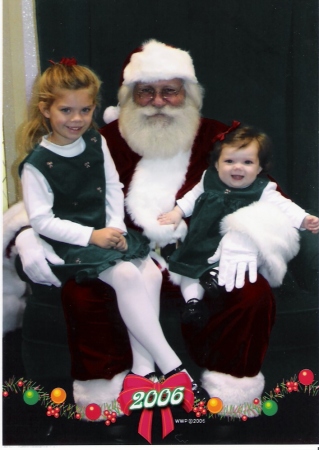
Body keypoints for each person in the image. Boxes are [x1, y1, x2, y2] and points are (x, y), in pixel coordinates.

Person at [4, 40, 301, 417]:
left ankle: (231, 399)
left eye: (170, 92)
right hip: (123, 256)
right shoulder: (103, 141)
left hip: (202, 260)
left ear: (188, 95)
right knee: (83, 295)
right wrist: (28, 235)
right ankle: (105, 400)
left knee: (250, 293)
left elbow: (270, 194)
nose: (158, 101)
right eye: (146, 92)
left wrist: (245, 236)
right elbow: (55, 195)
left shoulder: (219, 139)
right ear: (129, 97)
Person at [18, 59, 206, 403]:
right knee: (125, 274)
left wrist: (115, 228)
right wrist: (92, 237)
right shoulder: (35, 164)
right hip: (68, 242)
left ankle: (142, 370)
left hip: (106, 231)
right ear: (46, 109)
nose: (77, 119)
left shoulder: (95, 140)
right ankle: (173, 368)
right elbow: (42, 221)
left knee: (149, 272)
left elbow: (113, 186)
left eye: (85, 109)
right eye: (66, 110)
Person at [158, 121, 319, 321]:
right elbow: (190, 198)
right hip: (201, 239)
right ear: (217, 164)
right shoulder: (208, 179)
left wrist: (304, 219)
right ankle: (192, 303)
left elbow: (284, 206)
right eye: (230, 161)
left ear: (260, 167)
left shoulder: (263, 189)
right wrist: (176, 213)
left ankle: (214, 278)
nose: (238, 167)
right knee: (188, 270)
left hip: (234, 246)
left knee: (226, 265)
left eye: (247, 162)